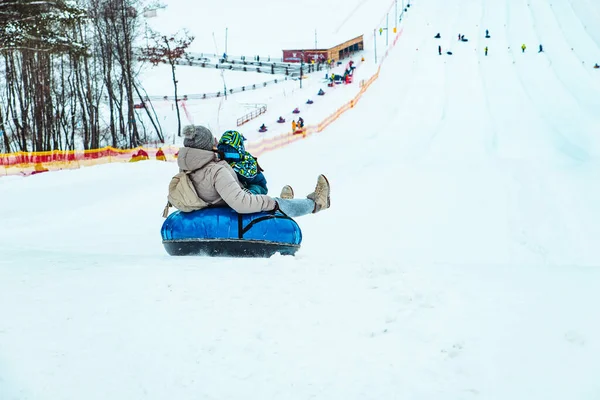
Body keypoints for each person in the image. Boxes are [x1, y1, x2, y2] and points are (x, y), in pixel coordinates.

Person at [178, 125, 330, 216]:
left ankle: (286, 204)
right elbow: (242, 203)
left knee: (275, 203)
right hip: (237, 204)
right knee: (277, 203)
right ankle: (316, 203)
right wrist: (272, 203)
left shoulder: (186, 170)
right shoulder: (217, 171)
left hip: (221, 205)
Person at [217, 130, 268, 195]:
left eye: (231, 155)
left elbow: (260, 185)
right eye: (222, 155)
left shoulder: (246, 165)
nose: (227, 159)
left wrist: (251, 192)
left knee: (254, 189)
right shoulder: (220, 163)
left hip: (257, 187)